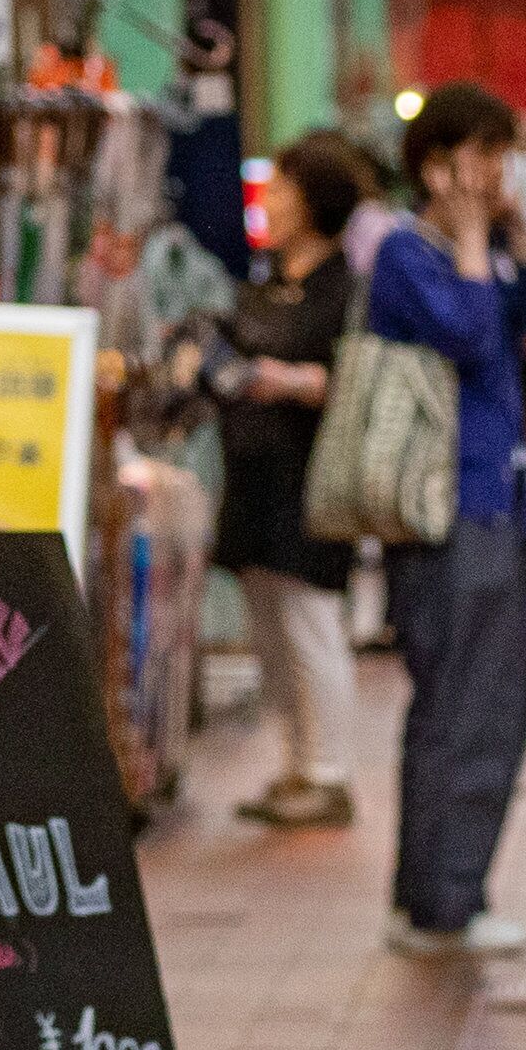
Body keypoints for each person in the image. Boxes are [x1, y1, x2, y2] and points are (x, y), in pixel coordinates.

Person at [368, 83, 526, 958]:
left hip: (497, 497)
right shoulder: (410, 256)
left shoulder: (484, 250)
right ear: (436, 168)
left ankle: (436, 893)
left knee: (480, 702)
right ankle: (447, 902)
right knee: (467, 704)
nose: (497, 172)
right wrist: (477, 243)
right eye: (483, 154)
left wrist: (518, 243)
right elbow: (472, 339)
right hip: (447, 507)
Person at [213, 134, 365, 829]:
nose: (268, 199)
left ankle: (329, 772)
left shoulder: (345, 290)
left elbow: (357, 381)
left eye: (280, 186)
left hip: (312, 479)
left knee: (311, 620)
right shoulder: (266, 280)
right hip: (253, 473)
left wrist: (296, 382)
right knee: (269, 625)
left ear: (314, 199)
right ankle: (296, 762)